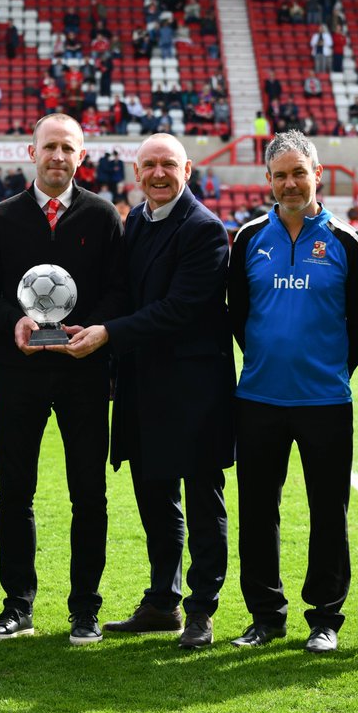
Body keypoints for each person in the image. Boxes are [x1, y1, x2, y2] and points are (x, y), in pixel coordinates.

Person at [56, 134, 234, 649]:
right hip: (142, 383)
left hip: (194, 386)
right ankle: (162, 601)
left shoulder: (202, 229)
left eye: (168, 165)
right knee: (155, 498)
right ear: (136, 171)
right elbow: (123, 293)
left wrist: (108, 333)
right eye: (149, 165)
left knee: (202, 501)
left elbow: (182, 308)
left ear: (188, 169)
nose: (158, 174)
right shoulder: (134, 219)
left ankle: (202, 610)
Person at [0, 113, 127, 644]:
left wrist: (97, 328)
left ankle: (85, 607)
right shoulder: (1, 219)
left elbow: (117, 290)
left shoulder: (104, 217)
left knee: (89, 493)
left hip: (84, 373)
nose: (58, 156)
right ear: (30, 151)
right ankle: (17, 605)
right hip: (22, 372)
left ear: (81, 156)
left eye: (68, 148)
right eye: (49, 147)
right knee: (15, 491)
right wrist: (11, 318)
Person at [226, 131, 358, 654]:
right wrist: (268, 359)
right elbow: (238, 316)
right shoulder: (247, 239)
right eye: (280, 175)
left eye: (298, 173)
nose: (290, 183)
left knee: (327, 512)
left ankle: (325, 618)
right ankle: (265, 615)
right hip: (259, 398)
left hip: (325, 402)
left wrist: (333, 370)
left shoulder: (346, 240)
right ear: (268, 180)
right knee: (258, 510)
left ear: (317, 174)